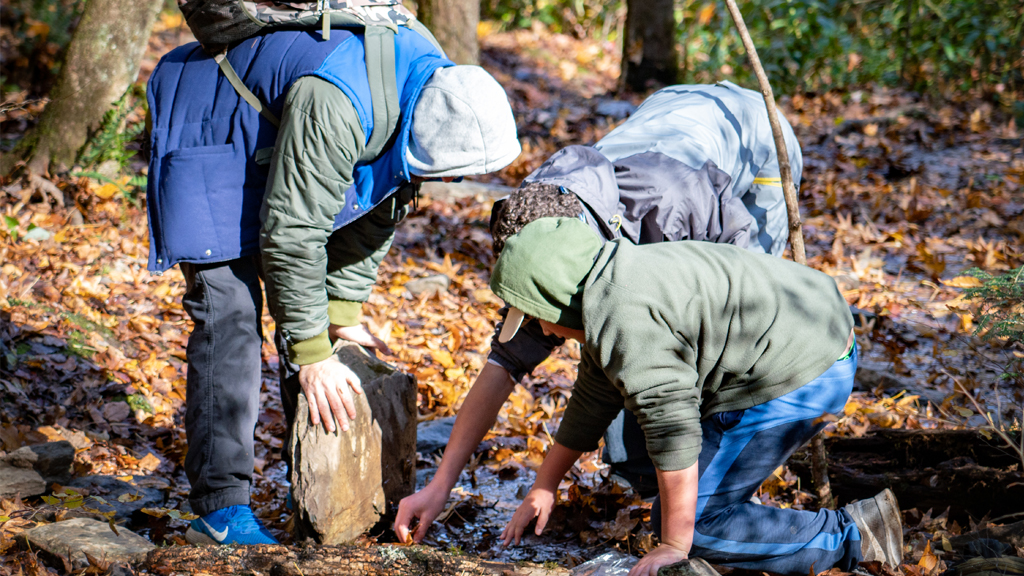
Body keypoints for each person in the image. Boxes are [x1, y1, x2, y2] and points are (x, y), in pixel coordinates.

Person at [146, 23, 520, 545]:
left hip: (275, 137)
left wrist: (339, 315)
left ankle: (313, 495)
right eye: (450, 174)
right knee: (230, 317)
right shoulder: (339, 102)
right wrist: (311, 353)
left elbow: (381, 202)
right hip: (211, 128)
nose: (453, 184)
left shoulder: (433, 82)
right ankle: (220, 508)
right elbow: (294, 233)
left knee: (315, 329)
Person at [396, 81, 802, 542]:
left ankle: (717, 491)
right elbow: (503, 363)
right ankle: (654, 472)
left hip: (754, 141)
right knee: (623, 351)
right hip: (669, 109)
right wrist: (440, 484)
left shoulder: (667, 210)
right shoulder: (543, 223)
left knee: (690, 347)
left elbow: (738, 282)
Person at [491, 217, 902, 576]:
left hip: (807, 368)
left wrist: (674, 545)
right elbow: (592, 397)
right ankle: (736, 528)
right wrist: (543, 486)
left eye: (537, 317)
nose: (543, 331)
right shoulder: (613, 282)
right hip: (812, 329)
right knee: (679, 513)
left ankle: (855, 537)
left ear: (559, 299)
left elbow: (673, 430)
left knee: (697, 524)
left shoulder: (626, 319)